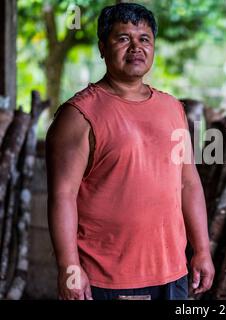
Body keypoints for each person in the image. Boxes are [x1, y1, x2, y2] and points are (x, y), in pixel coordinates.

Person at [46, 3, 214, 300]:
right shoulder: (79, 114)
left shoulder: (172, 108)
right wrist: (69, 267)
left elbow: (189, 183)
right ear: (102, 47)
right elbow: (62, 196)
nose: (136, 47)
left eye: (144, 39)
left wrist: (201, 250)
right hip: (108, 278)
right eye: (123, 38)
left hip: (172, 273)